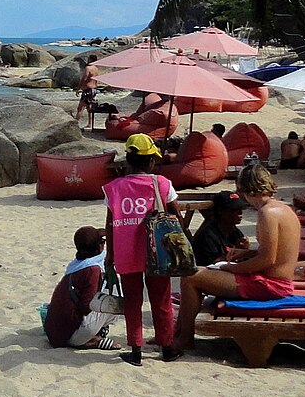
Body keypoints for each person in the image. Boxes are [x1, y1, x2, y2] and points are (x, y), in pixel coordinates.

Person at [172, 162, 302, 357]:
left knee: (191, 276)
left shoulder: (267, 213)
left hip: (270, 285)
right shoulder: (284, 209)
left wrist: (231, 267)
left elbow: (267, 259)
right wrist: (246, 254)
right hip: (279, 280)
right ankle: (179, 334)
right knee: (197, 275)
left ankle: (185, 339)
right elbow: (277, 252)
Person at [102, 133, 180, 366]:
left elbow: (110, 223)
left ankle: (136, 350)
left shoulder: (114, 188)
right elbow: (175, 215)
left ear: (128, 160)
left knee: (133, 302)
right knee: (162, 300)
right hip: (158, 253)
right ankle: (167, 347)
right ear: (151, 161)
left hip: (126, 253)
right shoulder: (162, 184)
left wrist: (109, 256)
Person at [44, 226, 114, 348]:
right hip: (71, 336)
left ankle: (93, 335)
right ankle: (91, 338)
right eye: (102, 242)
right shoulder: (92, 269)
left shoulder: (76, 266)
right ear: (98, 247)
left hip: (55, 335)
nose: (104, 245)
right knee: (115, 297)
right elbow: (86, 306)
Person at [190, 192, 247, 266]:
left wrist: (245, 251)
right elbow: (211, 264)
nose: (240, 213)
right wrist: (236, 253)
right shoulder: (207, 236)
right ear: (220, 211)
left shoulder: (235, 232)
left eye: (240, 209)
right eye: (234, 210)